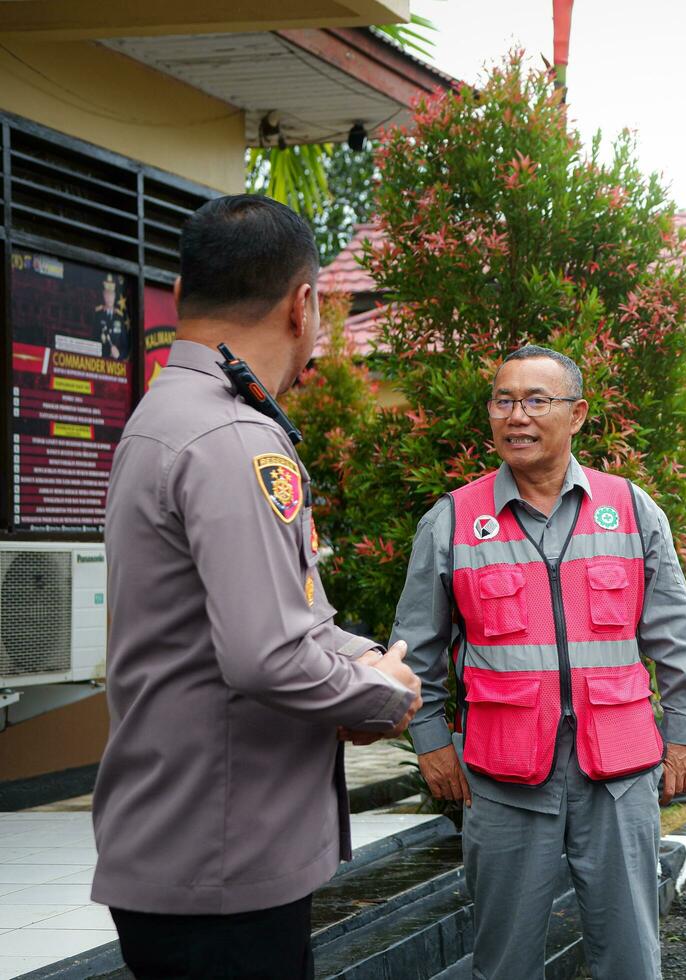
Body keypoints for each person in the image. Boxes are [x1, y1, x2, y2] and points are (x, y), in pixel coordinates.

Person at [92, 194, 422, 980]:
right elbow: (268, 654)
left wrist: (364, 656)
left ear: (181, 294)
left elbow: (281, 615)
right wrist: (381, 695)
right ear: (303, 304)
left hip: (192, 842)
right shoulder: (233, 435)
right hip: (224, 858)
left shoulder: (167, 415)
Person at [393, 344, 686, 979]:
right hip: (505, 773)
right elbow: (414, 651)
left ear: (578, 413)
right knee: (504, 959)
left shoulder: (631, 509)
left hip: (618, 771)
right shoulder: (452, 520)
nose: (517, 416)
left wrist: (681, 738)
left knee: (630, 955)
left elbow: (677, 636)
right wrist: (430, 743)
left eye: (537, 400)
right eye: (504, 401)